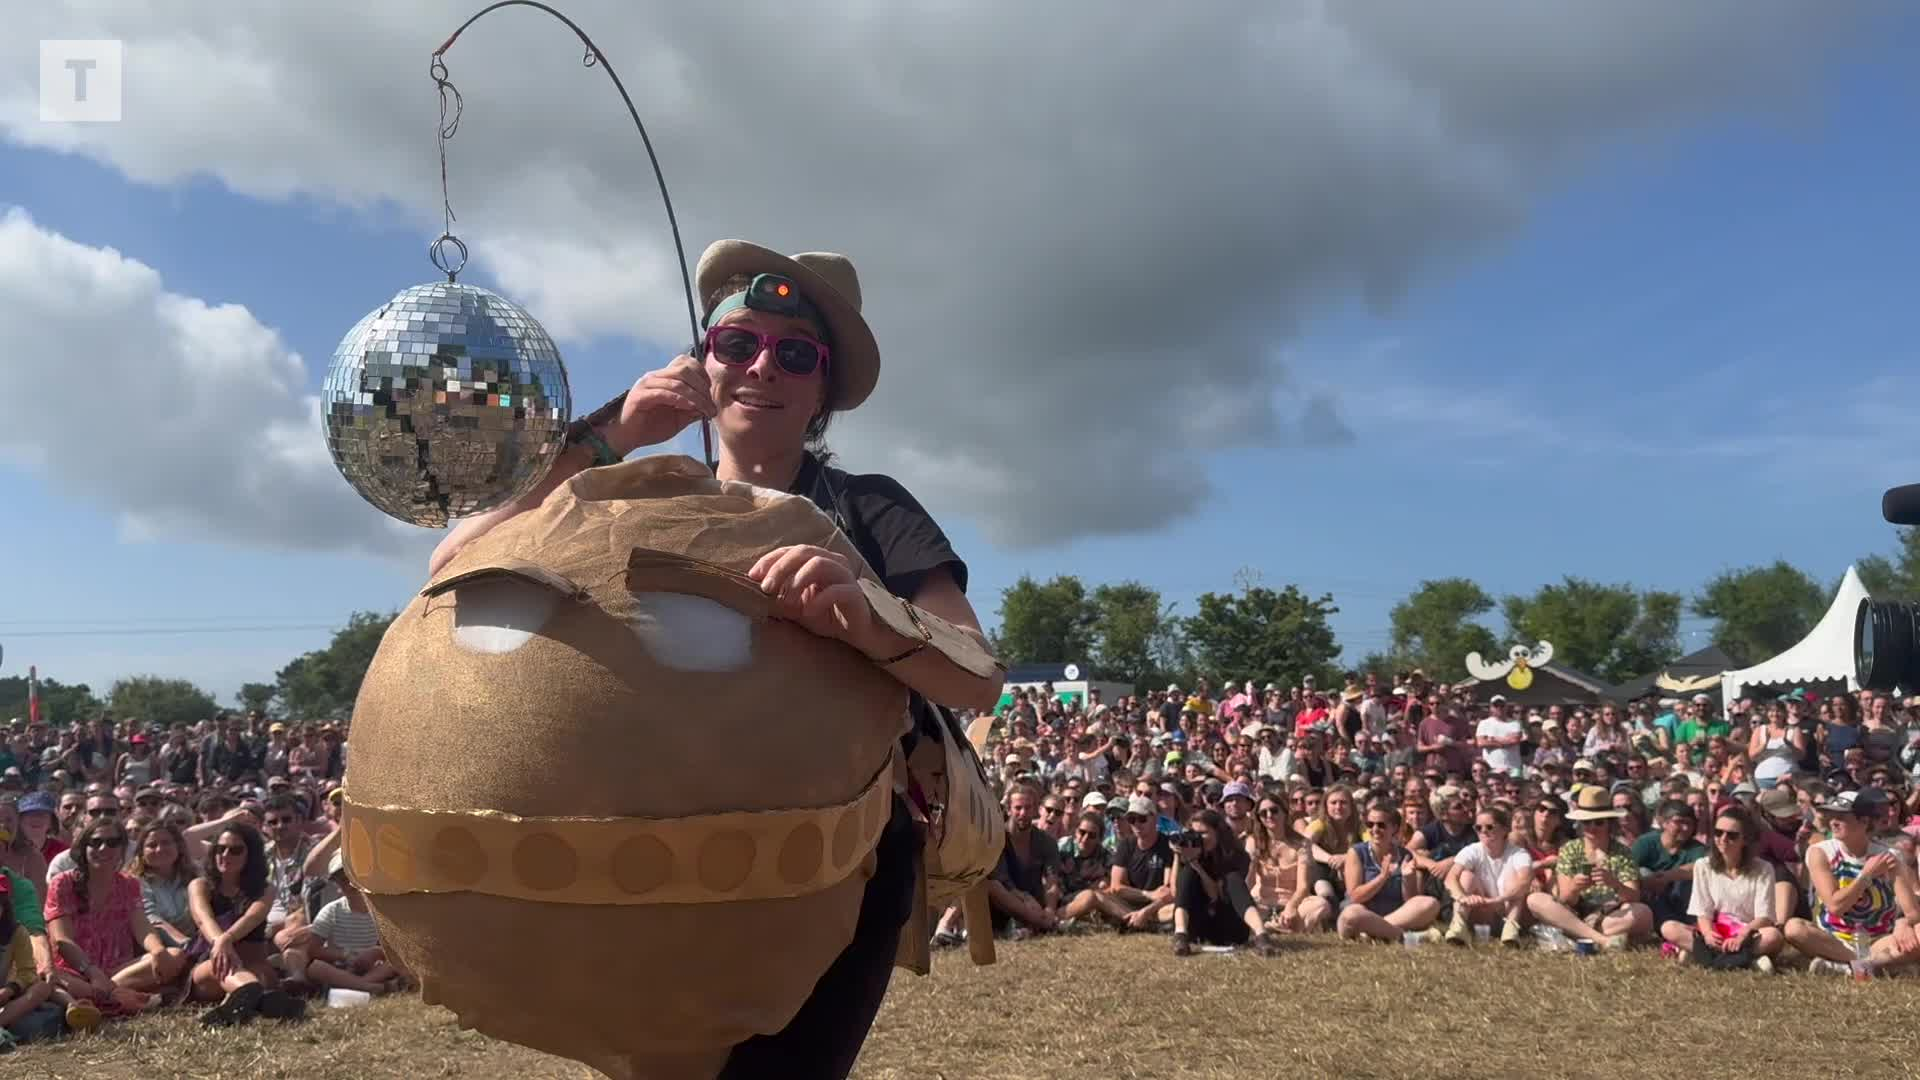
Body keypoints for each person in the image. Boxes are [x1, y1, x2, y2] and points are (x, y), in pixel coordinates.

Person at [428, 241, 997, 1079]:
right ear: (702, 363)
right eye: (737, 345)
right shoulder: (646, 496)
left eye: (794, 355)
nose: (761, 368)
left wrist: (868, 614)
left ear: (822, 394)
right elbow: (455, 568)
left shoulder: (868, 506)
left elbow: (978, 672)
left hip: (839, 854)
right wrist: (614, 432)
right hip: (662, 841)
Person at [1785, 789, 1920, 976]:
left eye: (1842, 816)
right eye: (1832, 815)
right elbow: (1834, 906)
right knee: (1794, 928)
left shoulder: (1889, 856)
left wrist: (1903, 923)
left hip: (1879, 939)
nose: (1833, 821)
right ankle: (1876, 965)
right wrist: (1866, 875)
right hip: (1833, 940)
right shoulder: (1820, 852)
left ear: (1864, 822)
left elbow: (1912, 912)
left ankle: (1847, 968)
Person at [42, 819, 167, 1021]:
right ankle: (119, 997)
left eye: (112, 842)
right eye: (96, 842)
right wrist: (91, 971)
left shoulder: (129, 884)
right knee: (49, 977)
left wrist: (157, 950)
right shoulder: (63, 883)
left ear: (122, 848)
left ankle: (104, 997)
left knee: (173, 956)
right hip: (75, 970)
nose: (104, 848)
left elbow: (142, 927)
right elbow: (61, 940)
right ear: (84, 847)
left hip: (118, 968)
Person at [186, 823, 303, 1026]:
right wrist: (220, 943)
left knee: (261, 974)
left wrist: (226, 938)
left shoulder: (265, 890)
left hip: (253, 965)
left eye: (236, 850)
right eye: (220, 849)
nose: (226, 855)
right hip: (208, 967)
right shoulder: (200, 885)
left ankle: (246, 1003)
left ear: (251, 855)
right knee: (224, 965)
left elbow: (253, 918)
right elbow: (203, 918)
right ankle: (249, 994)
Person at [1524, 787, 1652, 951]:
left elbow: (1634, 896)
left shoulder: (1622, 852)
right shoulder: (1570, 849)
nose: (1592, 827)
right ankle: (1603, 941)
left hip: (1609, 914)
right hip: (1574, 912)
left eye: (1598, 822)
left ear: (1609, 824)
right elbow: (1565, 898)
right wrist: (1575, 887)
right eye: (1586, 822)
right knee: (1535, 899)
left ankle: (1577, 934)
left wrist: (1614, 884)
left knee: (1643, 912)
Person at [1684, 808, 1783, 972]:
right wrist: (1708, 933)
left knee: (1773, 936)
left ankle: (1708, 958)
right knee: (1670, 928)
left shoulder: (1763, 869)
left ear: (1745, 840)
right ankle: (1744, 960)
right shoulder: (1703, 865)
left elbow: (1764, 917)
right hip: (1717, 932)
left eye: (1732, 835)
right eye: (1718, 833)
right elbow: (1702, 910)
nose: (1723, 839)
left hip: (1749, 933)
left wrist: (1743, 935)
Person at [1170, 810, 1280, 956]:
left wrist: (1197, 866)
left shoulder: (1236, 856)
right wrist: (1179, 856)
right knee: (1187, 874)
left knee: (1232, 878)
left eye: (1203, 833)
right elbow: (1175, 892)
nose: (1198, 838)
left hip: (1229, 925)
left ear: (1218, 832)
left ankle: (1262, 937)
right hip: (1199, 926)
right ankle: (1180, 935)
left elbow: (1216, 894)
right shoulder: (1190, 851)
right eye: (1194, 833)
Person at [1337, 803, 1442, 942]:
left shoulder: (1404, 855)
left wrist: (1407, 878)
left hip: (1394, 916)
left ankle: (1377, 931)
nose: (1375, 829)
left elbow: (1409, 903)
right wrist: (1382, 877)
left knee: (1430, 903)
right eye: (1370, 824)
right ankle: (1404, 937)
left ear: (1395, 828)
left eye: (1381, 825)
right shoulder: (1356, 852)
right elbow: (1355, 896)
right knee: (1351, 915)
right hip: (1361, 914)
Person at [1444, 805, 1533, 947]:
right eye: (1478, 828)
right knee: (1466, 876)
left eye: (1489, 827)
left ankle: (1511, 930)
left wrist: (1497, 900)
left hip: (1507, 909)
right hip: (1481, 913)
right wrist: (1463, 897)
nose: (1483, 831)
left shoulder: (1518, 853)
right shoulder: (1472, 850)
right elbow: (1451, 878)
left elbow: (1525, 882)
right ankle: (1458, 926)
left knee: (1514, 879)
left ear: (1505, 829)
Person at [1632, 800, 1707, 956]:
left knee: (1689, 881)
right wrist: (1650, 881)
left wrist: (1666, 877)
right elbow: (1628, 869)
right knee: (1643, 872)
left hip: (1678, 901)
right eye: (1679, 822)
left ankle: (1677, 931)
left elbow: (1701, 866)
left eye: (1689, 824)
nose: (1685, 828)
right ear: (1664, 823)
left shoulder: (1696, 848)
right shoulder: (1646, 843)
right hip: (1649, 899)